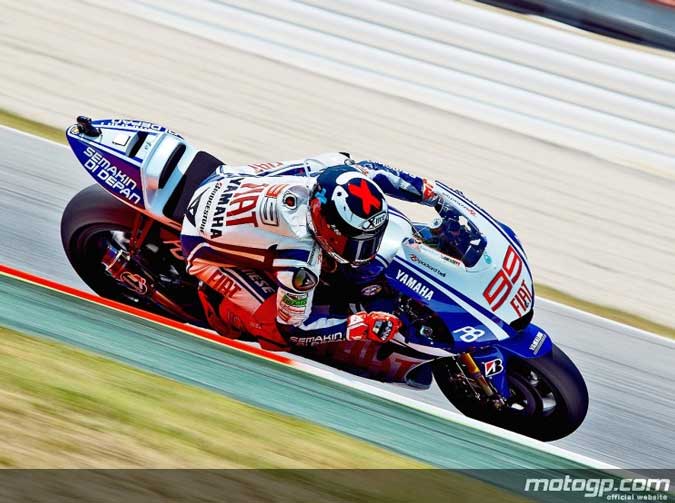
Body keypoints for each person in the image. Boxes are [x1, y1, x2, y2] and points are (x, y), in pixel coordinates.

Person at [180, 152, 442, 351]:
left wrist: (429, 193)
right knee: (276, 336)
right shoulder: (301, 261)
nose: (364, 251)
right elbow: (295, 328)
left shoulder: (330, 170)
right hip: (200, 243)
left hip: (224, 179)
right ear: (327, 227)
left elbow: (371, 172)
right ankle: (218, 305)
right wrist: (359, 325)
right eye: (355, 241)